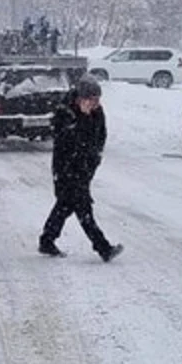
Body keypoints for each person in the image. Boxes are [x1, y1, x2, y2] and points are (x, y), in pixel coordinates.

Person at [39, 77, 122, 262]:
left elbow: (101, 134)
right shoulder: (65, 112)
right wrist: (83, 118)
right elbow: (68, 140)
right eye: (92, 100)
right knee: (83, 209)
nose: (96, 104)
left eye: (98, 99)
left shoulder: (97, 112)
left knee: (64, 206)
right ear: (81, 98)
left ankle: (47, 240)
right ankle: (103, 248)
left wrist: (97, 155)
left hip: (85, 167)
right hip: (67, 168)